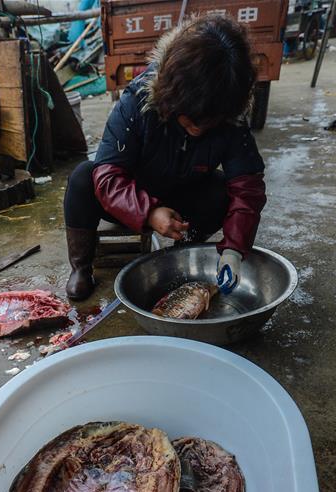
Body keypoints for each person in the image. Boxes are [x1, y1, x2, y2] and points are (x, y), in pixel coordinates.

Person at [63, 14, 267, 301]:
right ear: (173, 96)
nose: (198, 129)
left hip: (184, 199)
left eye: (209, 122)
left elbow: (248, 187)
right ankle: (81, 268)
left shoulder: (229, 110)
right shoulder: (138, 99)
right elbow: (109, 176)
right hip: (130, 199)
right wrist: (149, 213)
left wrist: (234, 249)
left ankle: (182, 252)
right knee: (84, 177)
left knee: (222, 190)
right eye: (192, 120)